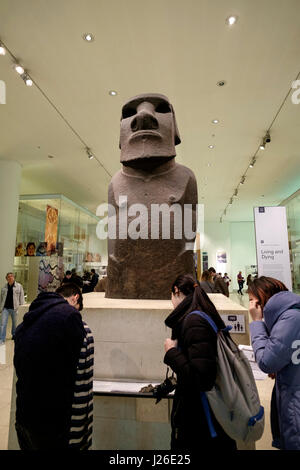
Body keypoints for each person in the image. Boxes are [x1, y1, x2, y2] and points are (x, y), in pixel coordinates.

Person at [13, 283, 94, 450]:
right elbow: (81, 381)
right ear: (75, 298)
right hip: (52, 424)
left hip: (24, 416)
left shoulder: (31, 318)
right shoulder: (73, 320)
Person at [163, 274, 237, 450]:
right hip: (204, 416)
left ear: (176, 291)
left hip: (201, 421)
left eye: (171, 296)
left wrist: (172, 353)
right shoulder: (199, 315)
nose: (171, 301)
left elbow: (201, 378)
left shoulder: (194, 321)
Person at [248, 276, 300, 450]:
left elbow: (266, 362)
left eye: (251, 300)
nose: (250, 306)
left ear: (260, 300)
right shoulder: (290, 315)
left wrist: (256, 323)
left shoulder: (290, 318)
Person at [0, 273, 24, 344]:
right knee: (2, 324)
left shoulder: (19, 286)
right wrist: (1, 308)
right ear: (6, 279)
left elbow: (22, 297)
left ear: (14, 277)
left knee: (15, 323)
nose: (10, 278)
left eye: (11, 276)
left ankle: (14, 334)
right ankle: (2, 339)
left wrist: (21, 307)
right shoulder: (4, 287)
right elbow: (1, 299)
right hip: (5, 308)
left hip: (15, 308)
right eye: (8, 277)